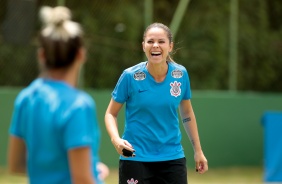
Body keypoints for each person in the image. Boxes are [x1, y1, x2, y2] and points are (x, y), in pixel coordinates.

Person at [7, 6, 109, 184]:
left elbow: (15, 165)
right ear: (81, 54)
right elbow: (82, 180)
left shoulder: (26, 98)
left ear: (41, 55)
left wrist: (89, 168)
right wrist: (92, 174)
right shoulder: (79, 105)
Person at [105, 22, 208, 184]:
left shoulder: (180, 74)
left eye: (161, 41)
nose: (155, 46)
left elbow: (187, 113)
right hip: (134, 157)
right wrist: (116, 139)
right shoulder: (129, 76)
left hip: (172, 158)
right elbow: (111, 113)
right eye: (150, 41)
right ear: (143, 46)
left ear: (170, 46)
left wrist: (198, 151)